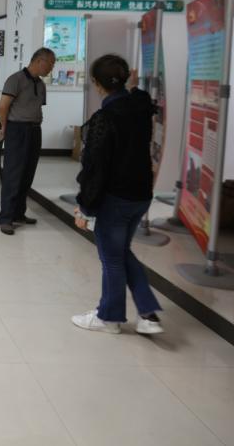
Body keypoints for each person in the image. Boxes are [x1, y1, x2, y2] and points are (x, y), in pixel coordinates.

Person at [72, 54, 163, 335]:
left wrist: (85, 207)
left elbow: (95, 167)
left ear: (96, 83)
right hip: (141, 195)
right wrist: (133, 86)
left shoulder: (105, 118)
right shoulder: (141, 106)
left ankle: (110, 318)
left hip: (115, 198)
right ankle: (148, 314)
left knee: (112, 259)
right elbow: (140, 97)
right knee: (121, 252)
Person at [0, 47, 55, 235]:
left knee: (28, 174)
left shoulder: (41, 85)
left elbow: (36, 107)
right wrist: (5, 127)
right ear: (39, 61)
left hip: (35, 130)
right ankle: (6, 218)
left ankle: (19, 214)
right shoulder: (15, 80)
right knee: (13, 174)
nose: (51, 68)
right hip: (17, 129)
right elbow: (3, 107)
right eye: (50, 64)